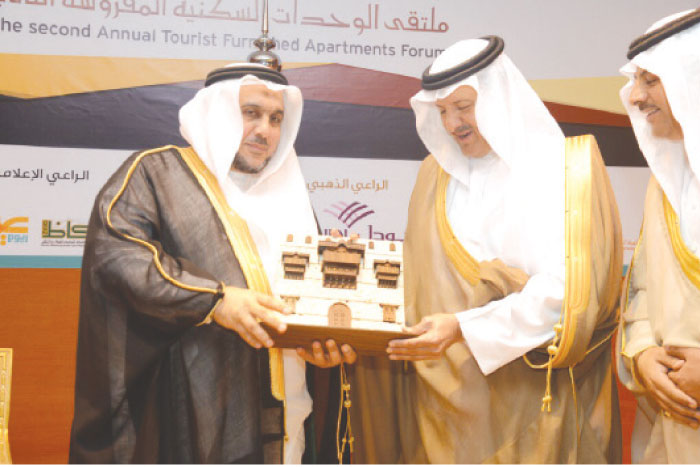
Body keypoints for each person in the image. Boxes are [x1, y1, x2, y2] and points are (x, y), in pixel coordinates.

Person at [349, 37, 623, 463]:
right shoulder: (433, 177)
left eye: (464, 106)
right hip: (442, 408)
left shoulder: (564, 170)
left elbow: (569, 297)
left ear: (499, 98)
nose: (453, 123)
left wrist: (463, 327)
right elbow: (415, 288)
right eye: (441, 112)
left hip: (532, 405)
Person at [68, 62, 355, 463]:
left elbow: (302, 304)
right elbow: (118, 256)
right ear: (215, 113)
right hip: (197, 416)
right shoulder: (156, 173)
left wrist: (333, 308)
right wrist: (215, 300)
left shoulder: (291, 197)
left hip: (291, 414)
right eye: (251, 113)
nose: (265, 130)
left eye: (276, 119)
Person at [615, 8, 700, 464]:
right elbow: (645, 290)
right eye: (636, 80)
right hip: (667, 430)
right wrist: (644, 353)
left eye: (651, 80)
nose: (634, 95)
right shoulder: (666, 177)